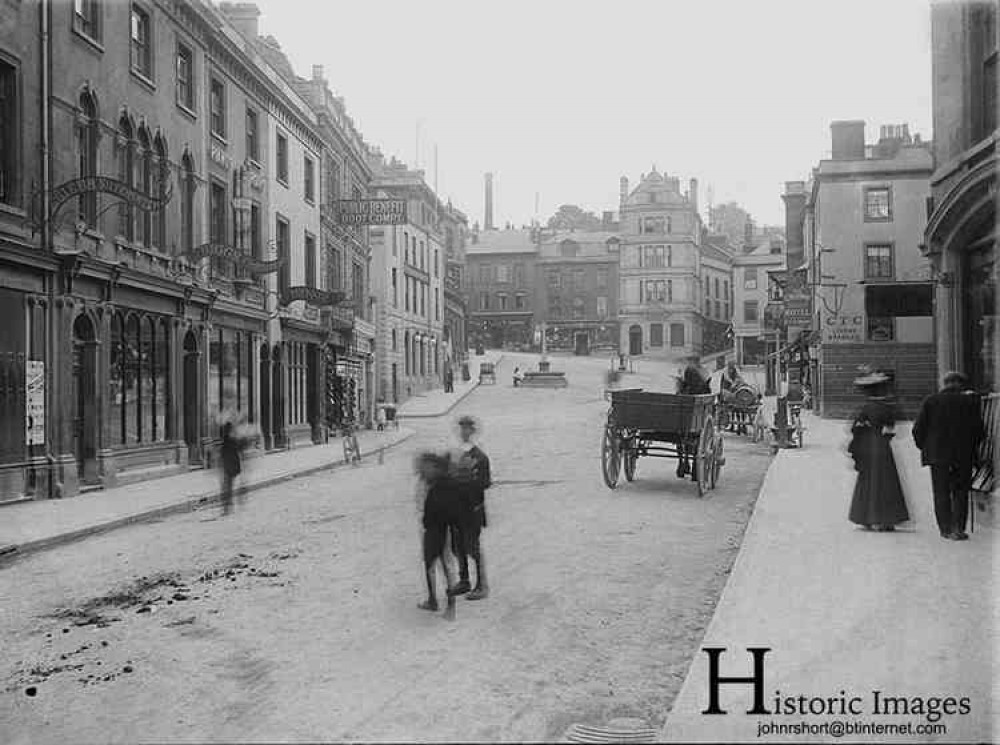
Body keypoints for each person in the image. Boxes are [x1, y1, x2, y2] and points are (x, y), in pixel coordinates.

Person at [912, 371, 985, 541]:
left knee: (941, 492)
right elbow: (980, 432)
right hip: (963, 455)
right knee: (961, 491)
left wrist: (927, 448)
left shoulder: (931, 401)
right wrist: (972, 448)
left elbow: (917, 430)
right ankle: (959, 528)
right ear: (961, 385)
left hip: (937, 456)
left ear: (944, 384)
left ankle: (945, 529)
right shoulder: (969, 402)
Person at [846, 370, 910, 532]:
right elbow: (891, 428)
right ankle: (885, 519)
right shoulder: (886, 408)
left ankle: (867, 517)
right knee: (885, 481)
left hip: (867, 447)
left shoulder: (865, 408)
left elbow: (855, 428)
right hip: (882, 447)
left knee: (868, 480)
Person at [448, 415, 492, 600]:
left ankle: (482, 585)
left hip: (472, 509)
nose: (464, 432)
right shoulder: (456, 454)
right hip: (456, 509)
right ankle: (464, 581)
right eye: (462, 429)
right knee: (457, 547)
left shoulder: (480, 457)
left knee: (472, 547)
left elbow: (485, 482)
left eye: (468, 429)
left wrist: (467, 481)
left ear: (473, 432)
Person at [415, 452, 460, 620]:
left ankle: (450, 604)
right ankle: (434, 599)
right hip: (430, 529)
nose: (421, 469)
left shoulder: (440, 484)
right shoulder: (427, 482)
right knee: (431, 564)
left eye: (425, 466)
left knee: (443, 565)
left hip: (438, 530)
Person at [218, 420, 248, 517]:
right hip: (231, 466)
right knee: (227, 486)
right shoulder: (231, 439)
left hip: (230, 466)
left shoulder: (229, 439)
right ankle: (229, 505)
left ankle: (228, 506)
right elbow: (240, 448)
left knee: (227, 486)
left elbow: (228, 452)